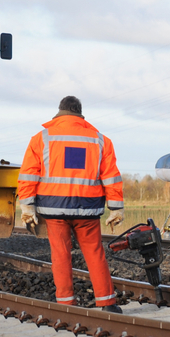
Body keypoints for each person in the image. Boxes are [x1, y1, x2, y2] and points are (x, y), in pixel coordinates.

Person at [18, 95, 125, 312]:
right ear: (80, 114)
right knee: (95, 253)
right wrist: (116, 207)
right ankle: (107, 302)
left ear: (59, 112)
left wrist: (27, 207)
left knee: (60, 254)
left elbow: (29, 175)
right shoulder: (101, 140)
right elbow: (111, 176)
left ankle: (66, 303)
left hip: (54, 208)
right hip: (88, 208)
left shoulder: (42, 139)